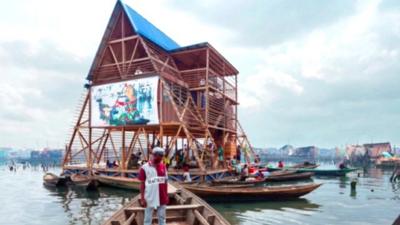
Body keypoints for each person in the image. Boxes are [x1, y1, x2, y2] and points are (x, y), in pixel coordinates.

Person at [138, 147, 168, 225]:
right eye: (160, 155)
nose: (161, 157)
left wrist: (166, 195)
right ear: (154, 155)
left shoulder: (163, 167)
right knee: (147, 219)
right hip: (149, 197)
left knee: (162, 218)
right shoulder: (144, 168)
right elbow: (142, 184)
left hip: (162, 196)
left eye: (162, 156)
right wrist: (142, 198)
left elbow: (165, 182)